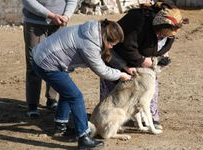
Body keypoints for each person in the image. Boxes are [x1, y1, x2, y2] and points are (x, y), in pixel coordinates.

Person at [31, 19, 132, 149]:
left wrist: (123, 68)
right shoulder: (90, 44)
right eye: (112, 43)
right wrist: (120, 74)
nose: (112, 47)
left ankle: (60, 126)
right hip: (46, 63)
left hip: (44, 56)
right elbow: (101, 70)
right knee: (76, 96)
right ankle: (83, 137)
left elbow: (102, 58)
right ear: (106, 37)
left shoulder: (92, 30)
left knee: (68, 92)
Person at [100, 2, 188, 130]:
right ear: (158, 25)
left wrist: (159, 58)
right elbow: (126, 46)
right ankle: (106, 119)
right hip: (116, 53)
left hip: (143, 58)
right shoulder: (138, 20)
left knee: (149, 86)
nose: (164, 36)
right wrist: (139, 60)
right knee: (116, 90)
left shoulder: (171, 28)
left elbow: (165, 45)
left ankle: (150, 118)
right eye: (163, 33)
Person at [22, 0, 78, 118]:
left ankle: (52, 99)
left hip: (59, 23)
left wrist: (66, 16)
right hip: (35, 23)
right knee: (33, 63)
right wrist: (50, 15)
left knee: (57, 62)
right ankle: (32, 104)